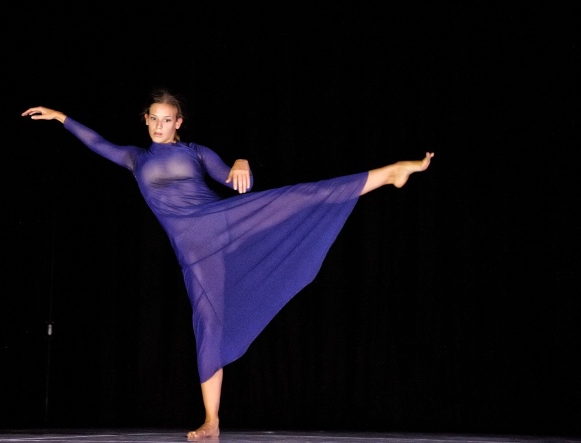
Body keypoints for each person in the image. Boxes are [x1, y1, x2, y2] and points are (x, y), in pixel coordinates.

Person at [22, 90, 433, 439]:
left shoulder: (196, 151)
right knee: (209, 324)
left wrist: (240, 162)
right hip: (194, 250)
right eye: (154, 119)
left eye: (168, 120)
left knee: (296, 198)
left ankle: (391, 172)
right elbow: (95, 142)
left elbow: (239, 183)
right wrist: (61, 117)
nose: (160, 126)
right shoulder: (134, 157)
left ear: (179, 121)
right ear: (145, 120)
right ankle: (212, 421)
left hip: (223, 223)